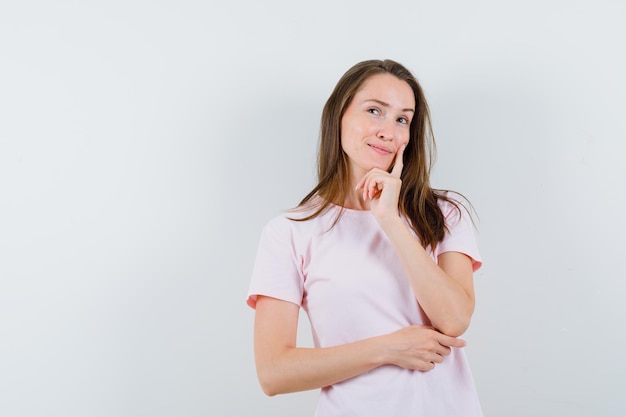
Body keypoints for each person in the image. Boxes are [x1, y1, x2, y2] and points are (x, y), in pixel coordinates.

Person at [246, 59, 483, 417]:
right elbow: (274, 373)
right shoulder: (290, 232)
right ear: (338, 116)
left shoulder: (444, 214)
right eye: (375, 111)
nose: (389, 131)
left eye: (402, 119)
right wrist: (387, 349)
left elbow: (454, 319)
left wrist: (389, 218)